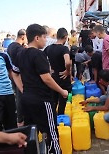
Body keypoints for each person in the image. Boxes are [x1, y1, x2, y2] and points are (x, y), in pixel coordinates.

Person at [12, 24, 67, 153]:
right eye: (44, 37)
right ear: (37, 38)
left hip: (27, 99)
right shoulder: (38, 54)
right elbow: (46, 78)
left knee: (31, 131)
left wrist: (23, 89)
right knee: (51, 132)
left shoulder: (20, 54)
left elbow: (15, 73)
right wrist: (62, 91)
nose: (46, 40)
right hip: (42, 100)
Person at [45, 28, 71, 115]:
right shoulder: (64, 49)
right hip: (63, 76)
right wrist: (67, 70)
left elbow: (42, 58)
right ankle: (61, 118)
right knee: (63, 101)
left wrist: (48, 69)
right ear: (65, 37)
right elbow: (67, 62)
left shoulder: (48, 48)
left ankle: (53, 119)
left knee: (54, 100)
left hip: (54, 76)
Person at [7, 29, 27, 127]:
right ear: (23, 36)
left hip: (13, 75)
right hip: (19, 75)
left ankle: (20, 118)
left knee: (18, 96)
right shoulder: (19, 48)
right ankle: (21, 120)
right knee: (20, 97)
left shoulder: (10, 46)